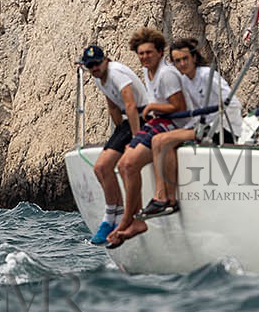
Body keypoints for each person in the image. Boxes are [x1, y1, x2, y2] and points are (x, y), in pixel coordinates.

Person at [107, 27, 190, 247]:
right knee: (123, 165)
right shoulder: (148, 71)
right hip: (156, 120)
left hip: (172, 123)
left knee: (130, 164)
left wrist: (153, 106)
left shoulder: (167, 74)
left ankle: (130, 218)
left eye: (149, 53)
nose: (144, 57)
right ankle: (134, 219)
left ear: (160, 52)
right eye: (141, 53)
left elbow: (179, 107)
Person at [143, 38, 244, 218]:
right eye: (177, 61)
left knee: (165, 141)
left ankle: (170, 200)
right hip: (202, 126)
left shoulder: (207, 75)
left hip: (223, 130)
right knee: (156, 139)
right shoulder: (185, 80)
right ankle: (161, 196)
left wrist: (216, 120)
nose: (182, 64)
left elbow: (233, 103)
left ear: (194, 58)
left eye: (185, 59)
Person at [80, 43, 149, 245]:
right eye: (90, 65)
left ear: (106, 61)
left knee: (119, 165)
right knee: (101, 167)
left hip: (142, 115)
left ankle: (120, 217)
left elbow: (130, 105)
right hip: (127, 121)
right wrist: (119, 133)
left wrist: (136, 140)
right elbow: (113, 106)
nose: (94, 68)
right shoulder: (98, 78)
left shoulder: (116, 73)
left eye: (97, 64)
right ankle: (112, 216)